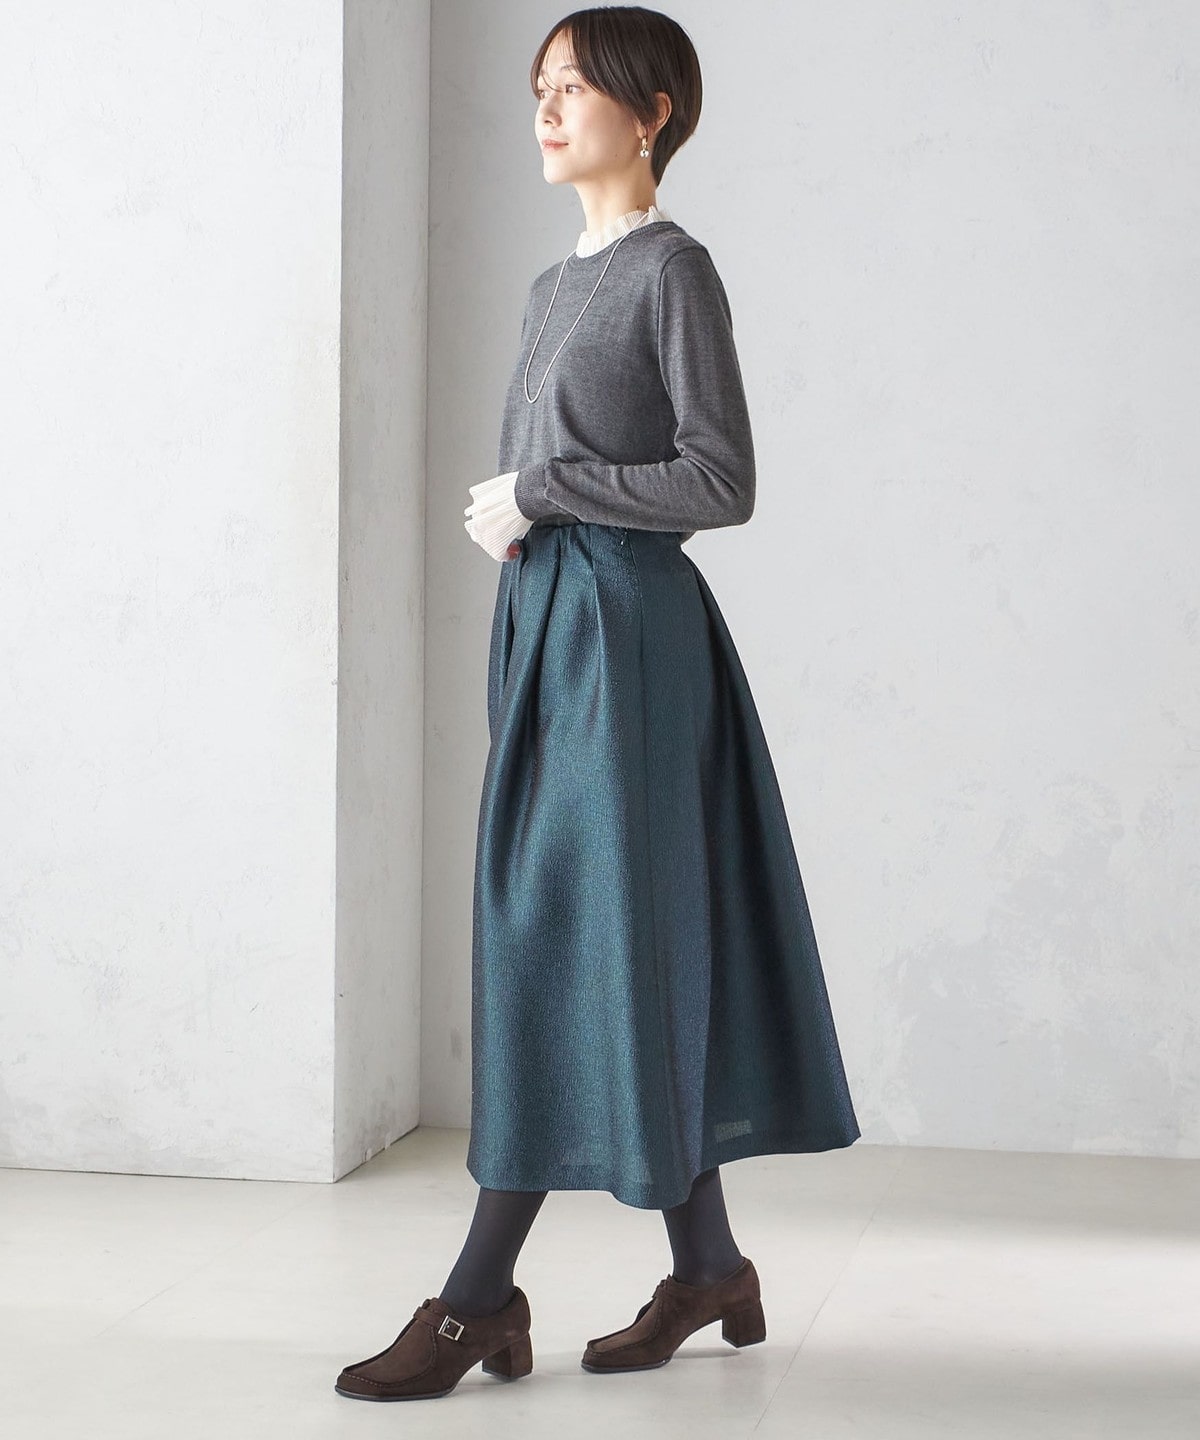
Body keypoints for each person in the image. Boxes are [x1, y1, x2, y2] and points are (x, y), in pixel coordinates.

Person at [334, 5, 860, 1403]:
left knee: (566, 934)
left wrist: (545, 488)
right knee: (594, 930)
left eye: (575, 86)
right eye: (540, 86)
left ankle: (475, 1299)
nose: (547, 109)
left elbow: (720, 479)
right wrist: (522, 521)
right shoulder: (547, 285)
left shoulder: (672, 271)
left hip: (628, 639)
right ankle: (710, 1268)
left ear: (656, 109)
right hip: (553, 629)